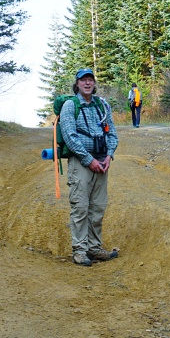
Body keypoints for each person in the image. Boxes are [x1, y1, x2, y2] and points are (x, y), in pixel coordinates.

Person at [59, 69, 119, 266]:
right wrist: (88, 160)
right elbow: (69, 136)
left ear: (94, 84)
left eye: (90, 80)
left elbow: (112, 133)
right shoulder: (70, 106)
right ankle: (80, 251)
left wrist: (109, 155)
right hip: (81, 162)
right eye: (83, 80)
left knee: (98, 207)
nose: (87, 83)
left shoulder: (102, 105)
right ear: (77, 84)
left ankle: (94, 248)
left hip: (102, 162)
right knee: (80, 208)